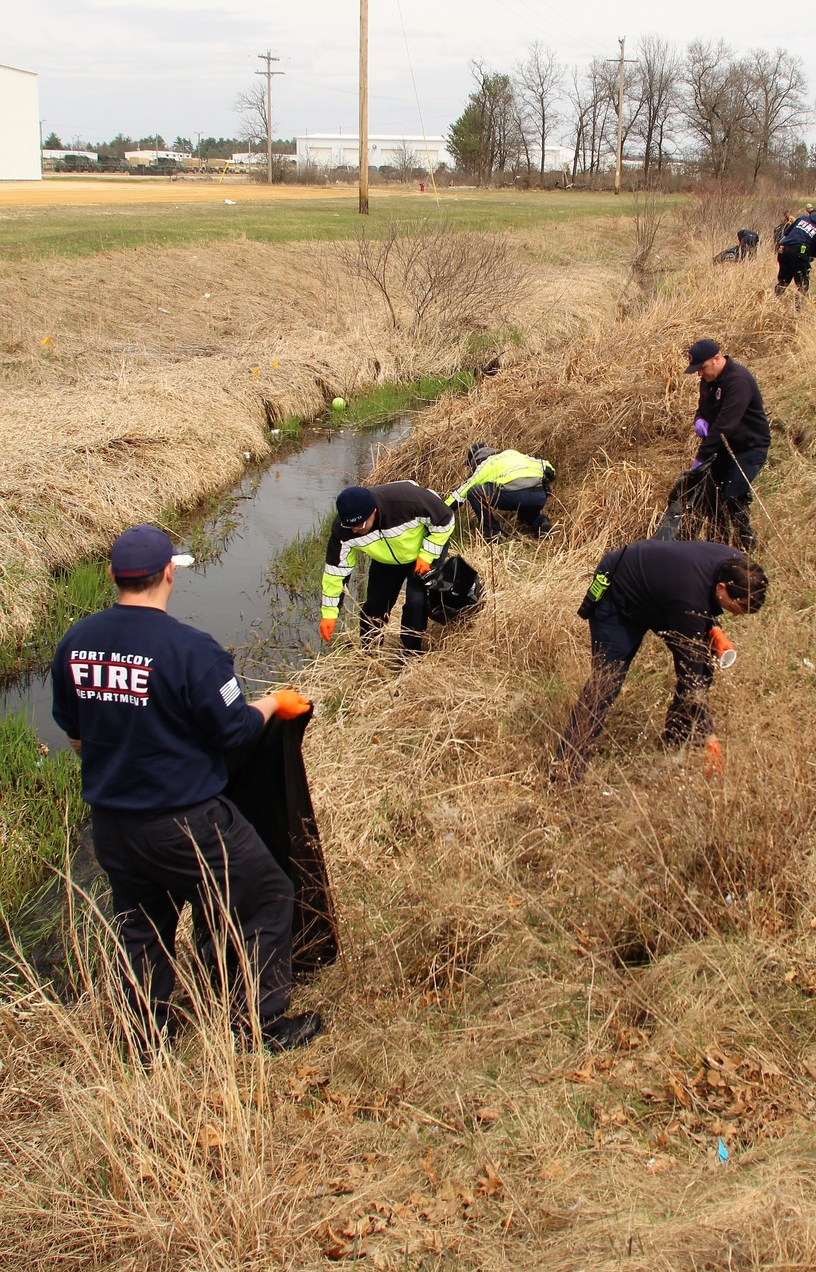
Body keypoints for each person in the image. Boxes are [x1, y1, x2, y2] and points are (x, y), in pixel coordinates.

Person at [50, 525, 321, 1053]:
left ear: (112, 577)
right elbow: (235, 731)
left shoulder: (75, 644)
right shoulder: (193, 651)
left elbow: (77, 738)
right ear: (170, 573)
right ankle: (259, 1027)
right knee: (267, 895)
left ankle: (145, 1039)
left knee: (143, 925)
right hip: (185, 825)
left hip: (110, 824)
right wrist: (271, 705)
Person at [556, 540, 768, 778]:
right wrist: (711, 737)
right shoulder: (689, 600)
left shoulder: (737, 567)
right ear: (721, 587)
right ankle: (566, 765)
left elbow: (696, 599)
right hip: (618, 592)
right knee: (607, 681)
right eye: (737, 606)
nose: (738, 614)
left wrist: (713, 629)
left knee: (705, 664)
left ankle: (679, 735)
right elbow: (690, 675)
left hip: (662, 594)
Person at [320, 481, 455, 653]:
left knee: (416, 602)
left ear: (373, 512)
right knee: (375, 606)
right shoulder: (343, 531)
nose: (354, 531)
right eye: (350, 526)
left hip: (423, 550)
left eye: (360, 525)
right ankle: (369, 654)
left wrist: (427, 555)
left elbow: (446, 519)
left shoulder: (407, 502)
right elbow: (335, 572)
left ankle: (409, 655)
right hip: (386, 559)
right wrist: (329, 614)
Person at [683, 338, 771, 550]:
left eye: (702, 368)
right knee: (713, 496)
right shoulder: (708, 381)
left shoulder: (738, 381)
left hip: (749, 447)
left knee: (734, 496)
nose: (700, 374)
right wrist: (699, 419)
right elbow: (704, 409)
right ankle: (718, 546)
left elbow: (724, 425)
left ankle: (745, 548)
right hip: (723, 447)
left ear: (716, 359)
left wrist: (700, 458)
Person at [448, 444, 555, 541]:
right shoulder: (514, 454)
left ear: (476, 460)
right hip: (538, 494)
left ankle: (493, 533)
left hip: (514, 496)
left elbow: (461, 493)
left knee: (473, 492)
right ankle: (540, 522)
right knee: (526, 503)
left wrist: (439, 512)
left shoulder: (486, 464)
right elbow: (549, 468)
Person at [775, 208, 816, 295]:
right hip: (799, 254)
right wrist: (809, 254)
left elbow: (787, 232)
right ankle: (799, 306)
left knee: (783, 280)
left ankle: (775, 300)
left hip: (783, 249)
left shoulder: (803, 218)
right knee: (802, 284)